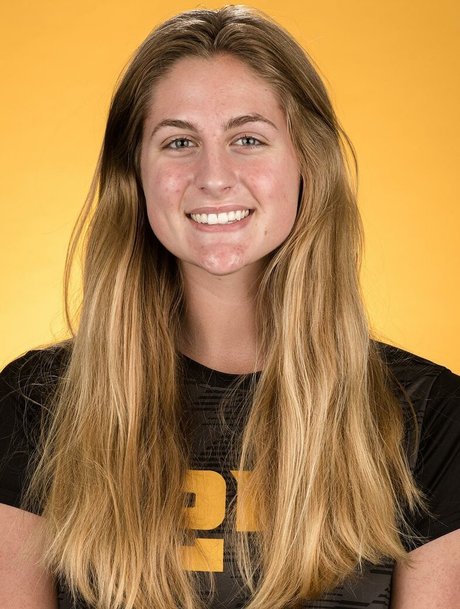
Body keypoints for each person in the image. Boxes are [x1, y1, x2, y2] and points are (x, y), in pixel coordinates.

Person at [0, 6, 459, 609]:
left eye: (248, 139)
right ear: (135, 172)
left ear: (307, 162)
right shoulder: (34, 405)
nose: (214, 177)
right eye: (179, 141)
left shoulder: (427, 416)